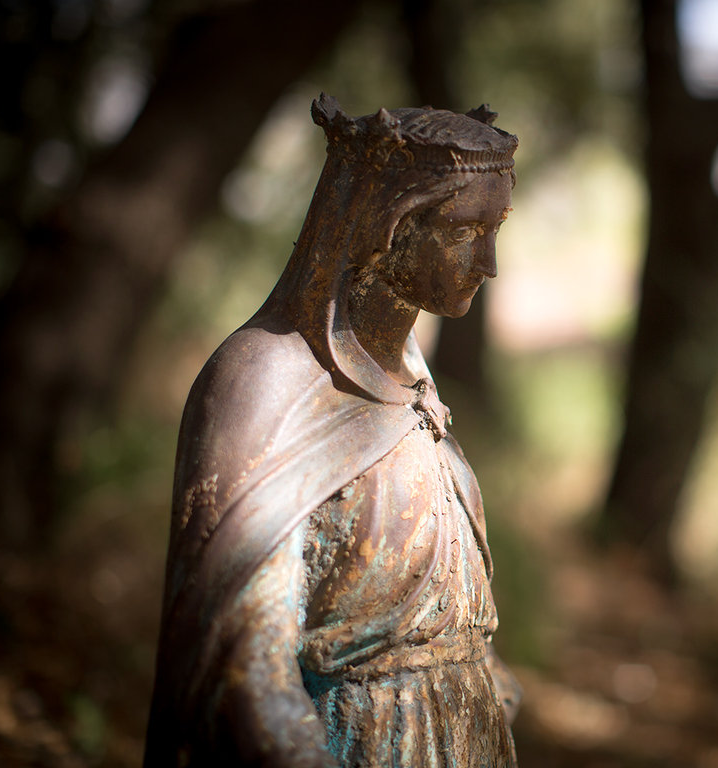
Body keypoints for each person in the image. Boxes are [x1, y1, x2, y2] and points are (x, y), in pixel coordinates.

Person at [144, 94, 520, 768]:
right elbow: (244, 677)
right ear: (389, 224)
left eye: (498, 228)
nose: (489, 262)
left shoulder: (415, 383)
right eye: (466, 231)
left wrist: (478, 681)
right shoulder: (261, 382)